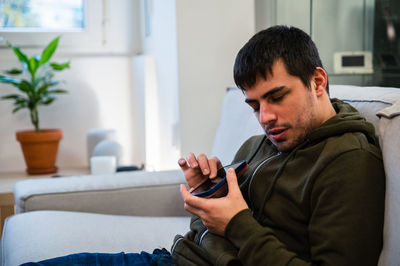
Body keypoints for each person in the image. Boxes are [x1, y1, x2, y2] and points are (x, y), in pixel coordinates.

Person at [24, 25, 385, 266]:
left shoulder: (349, 160)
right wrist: (206, 193)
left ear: (317, 81)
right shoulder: (257, 146)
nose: (265, 117)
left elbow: (241, 228)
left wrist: (237, 223)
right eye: (255, 104)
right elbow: (217, 226)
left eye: (277, 96)